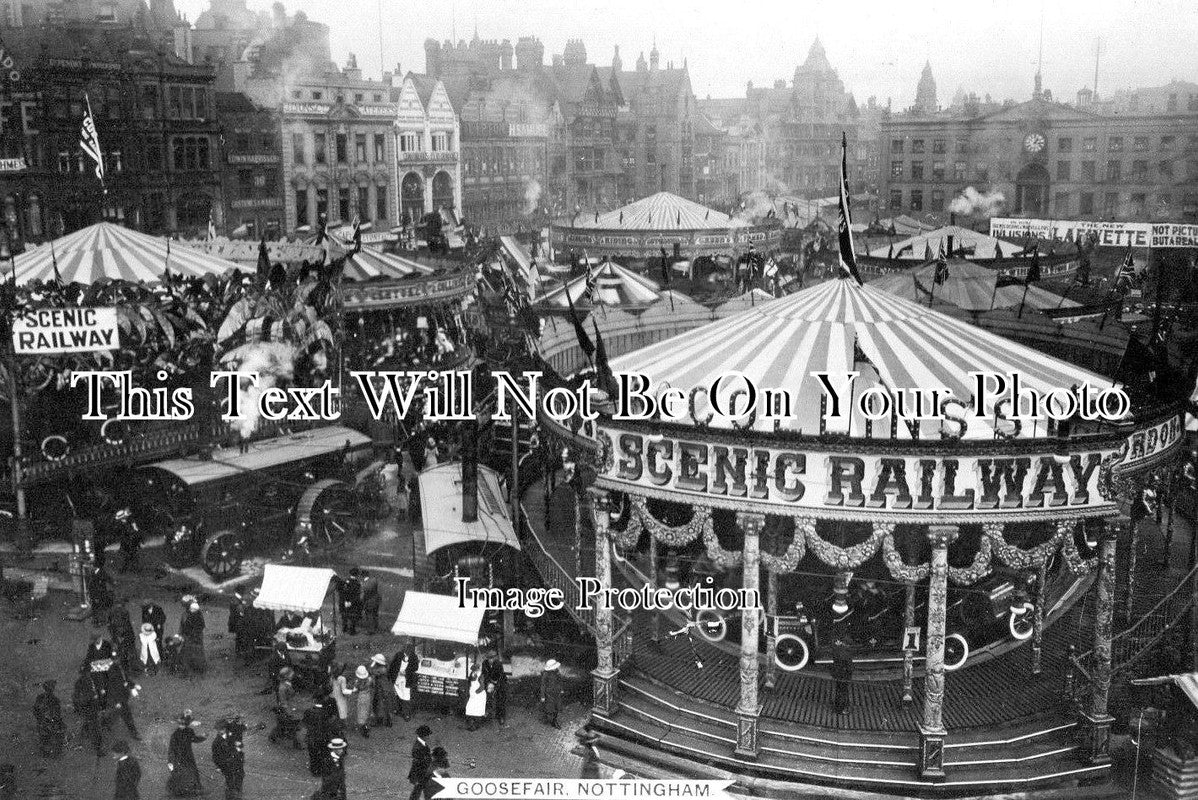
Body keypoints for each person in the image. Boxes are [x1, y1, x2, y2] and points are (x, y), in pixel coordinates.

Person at [166, 711, 205, 797]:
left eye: (184, 724)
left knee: (193, 772)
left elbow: (194, 739)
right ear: (179, 724)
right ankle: (178, 791)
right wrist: (170, 761)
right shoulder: (175, 735)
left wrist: (203, 737)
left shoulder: (190, 731)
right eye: (181, 724)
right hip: (178, 757)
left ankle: (195, 789)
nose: (182, 725)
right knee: (180, 773)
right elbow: (171, 749)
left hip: (188, 756)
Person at [211, 716, 246, 800]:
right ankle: (232, 796)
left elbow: (238, 744)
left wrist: (238, 746)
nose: (223, 731)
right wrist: (218, 766)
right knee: (230, 781)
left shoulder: (230, 735)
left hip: (237, 761)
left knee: (239, 776)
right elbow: (215, 756)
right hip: (227, 764)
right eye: (221, 729)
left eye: (224, 729)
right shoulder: (217, 742)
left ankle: (237, 793)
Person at [270, 667, 304, 749]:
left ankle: (272, 736)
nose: (292, 675)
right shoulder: (283, 687)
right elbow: (283, 701)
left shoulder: (287, 684)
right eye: (291, 674)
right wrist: (288, 712)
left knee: (282, 726)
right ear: (286, 676)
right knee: (291, 726)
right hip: (286, 708)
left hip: (289, 707)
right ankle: (297, 744)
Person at [33, 679, 66, 758]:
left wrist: (58, 721)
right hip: (44, 722)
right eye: (49, 688)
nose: (50, 690)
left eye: (52, 688)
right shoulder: (41, 698)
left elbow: (58, 713)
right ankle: (46, 752)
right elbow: (36, 710)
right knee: (45, 737)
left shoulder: (55, 700)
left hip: (52, 721)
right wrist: (41, 719)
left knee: (58, 734)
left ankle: (55, 752)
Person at [109, 602, 137, 673]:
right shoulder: (122, 612)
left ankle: (129, 667)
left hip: (124, 636)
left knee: (126, 652)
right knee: (126, 652)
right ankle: (129, 667)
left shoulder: (115, 613)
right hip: (123, 636)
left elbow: (111, 625)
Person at [391, 645, 418, 721]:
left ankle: (406, 714)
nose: (407, 652)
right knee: (397, 693)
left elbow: (415, 667)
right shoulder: (398, 655)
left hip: (407, 679)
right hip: (397, 678)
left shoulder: (413, 657)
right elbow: (393, 666)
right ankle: (398, 709)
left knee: (406, 695)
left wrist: (406, 672)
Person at [482, 651, 508, 728]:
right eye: (489, 658)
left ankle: (501, 717)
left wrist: (496, 684)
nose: (490, 660)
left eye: (492, 658)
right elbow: (485, 675)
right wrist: (489, 683)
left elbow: (501, 676)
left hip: (500, 682)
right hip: (490, 682)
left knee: (500, 699)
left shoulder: (498, 664)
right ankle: (487, 713)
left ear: (495, 658)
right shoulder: (484, 663)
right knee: (487, 697)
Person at [179, 601, 206, 675]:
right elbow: (183, 626)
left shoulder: (194, 615)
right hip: (192, 637)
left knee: (193, 652)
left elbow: (200, 626)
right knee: (193, 653)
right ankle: (195, 668)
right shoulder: (189, 615)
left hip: (194, 637)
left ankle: (195, 668)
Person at [407, 725, 433, 800]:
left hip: (422, 772)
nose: (428, 737)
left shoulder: (422, 743)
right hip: (420, 772)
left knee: (418, 790)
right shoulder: (418, 745)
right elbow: (418, 759)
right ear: (424, 736)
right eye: (427, 735)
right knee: (419, 790)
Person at [368, 654, 392, 728]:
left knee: (379, 705)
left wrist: (373, 663)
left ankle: (380, 721)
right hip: (383, 688)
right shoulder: (383, 668)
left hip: (381, 689)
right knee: (383, 705)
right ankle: (388, 721)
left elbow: (371, 670)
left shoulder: (381, 669)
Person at [831, 639, 854, 716]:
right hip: (844, 675)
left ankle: (836, 707)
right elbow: (850, 667)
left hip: (837, 674)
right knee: (843, 692)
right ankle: (841, 709)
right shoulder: (847, 654)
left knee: (838, 690)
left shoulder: (837, 651)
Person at [227, 592, 251, 663]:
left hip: (238, 624)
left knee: (239, 638)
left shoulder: (238, 604)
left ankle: (239, 651)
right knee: (240, 638)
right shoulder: (239, 606)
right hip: (240, 625)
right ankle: (239, 651)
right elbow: (241, 615)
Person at [540, 659, 563, 729]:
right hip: (549, 694)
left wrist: (561, 689)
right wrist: (542, 696)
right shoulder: (545, 674)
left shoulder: (557, 672)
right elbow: (543, 685)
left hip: (557, 692)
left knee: (557, 706)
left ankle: (554, 720)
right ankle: (551, 720)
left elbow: (559, 681)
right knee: (550, 707)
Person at [338, 569, 362, 635]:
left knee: (345, 616)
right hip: (353, 602)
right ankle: (352, 631)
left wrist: (345, 601)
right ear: (357, 575)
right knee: (352, 616)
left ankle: (344, 629)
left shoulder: (345, 581)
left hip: (344, 601)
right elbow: (357, 595)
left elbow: (342, 592)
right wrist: (351, 602)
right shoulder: (357, 583)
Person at [464, 665, 487, 731]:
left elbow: (482, 687)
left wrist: (476, 692)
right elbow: (470, 682)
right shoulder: (472, 674)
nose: (474, 671)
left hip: (479, 695)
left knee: (477, 710)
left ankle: (475, 725)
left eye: (475, 670)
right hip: (473, 695)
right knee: (470, 708)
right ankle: (471, 724)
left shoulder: (481, 675)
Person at [352, 664, 372, 737]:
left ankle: (363, 727)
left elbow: (355, 690)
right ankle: (366, 725)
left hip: (361, 697)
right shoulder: (369, 680)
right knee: (366, 710)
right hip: (367, 696)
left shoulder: (357, 682)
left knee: (361, 711)